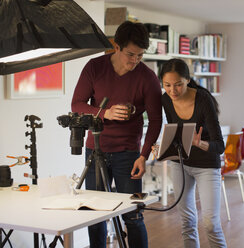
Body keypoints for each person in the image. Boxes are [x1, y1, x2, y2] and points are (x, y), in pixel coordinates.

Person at [71, 21, 162, 248]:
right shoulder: (94, 67)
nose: (135, 61)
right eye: (130, 54)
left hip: (129, 154)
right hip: (96, 150)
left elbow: (156, 120)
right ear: (116, 46)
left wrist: (143, 155)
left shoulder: (148, 77)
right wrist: (105, 112)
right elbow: (76, 104)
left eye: (140, 56)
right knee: (95, 214)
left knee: (133, 215)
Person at [159, 58, 227, 248]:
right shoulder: (165, 99)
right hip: (181, 163)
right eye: (167, 85)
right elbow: (174, 131)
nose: (173, 90)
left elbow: (219, 145)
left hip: (207, 165)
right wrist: (163, 147)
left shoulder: (203, 99)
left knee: (211, 223)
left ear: (188, 80)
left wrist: (200, 143)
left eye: (178, 84)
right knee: (187, 221)